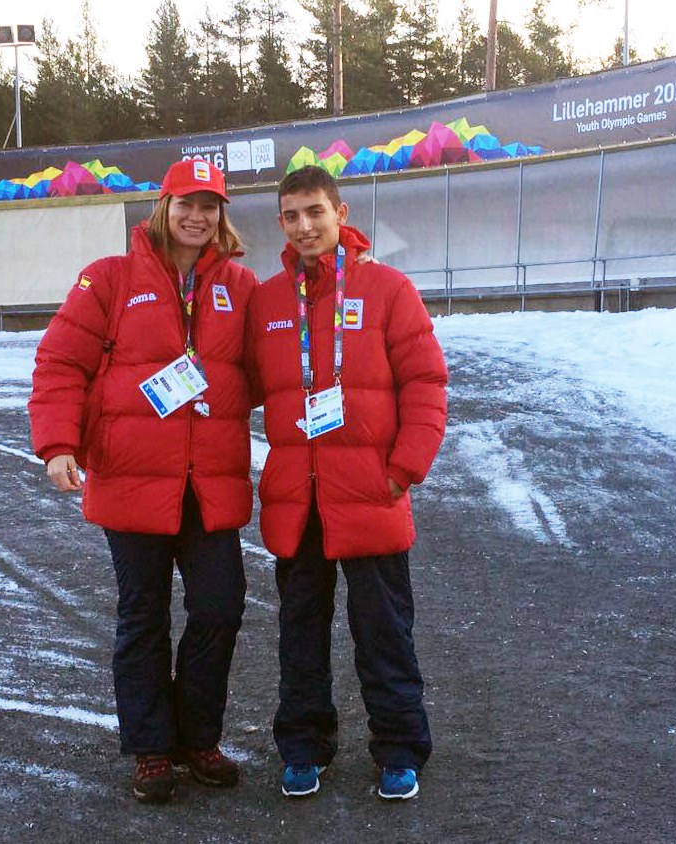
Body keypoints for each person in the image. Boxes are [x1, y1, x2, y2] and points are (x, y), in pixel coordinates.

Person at [29, 159, 257, 805]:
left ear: (221, 214)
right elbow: (60, 361)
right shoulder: (109, 279)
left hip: (209, 483)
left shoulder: (239, 286)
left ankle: (197, 737)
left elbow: (273, 368)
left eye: (210, 205)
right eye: (187, 201)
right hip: (132, 482)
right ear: (163, 205)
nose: (198, 216)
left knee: (220, 607)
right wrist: (57, 444)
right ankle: (153, 750)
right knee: (143, 618)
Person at [245, 165, 448, 801]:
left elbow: (426, 383)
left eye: (315, 212)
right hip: (297, 499)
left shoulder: (388, 289)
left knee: (383, 629)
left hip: (371, 493)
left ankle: (399, 747)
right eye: (291, 215)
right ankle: (304, 744)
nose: (304, 226)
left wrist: (404, 467)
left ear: (340, 213)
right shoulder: (268, 301)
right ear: (280, 222)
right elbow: (235, 386)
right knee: (300, 631)